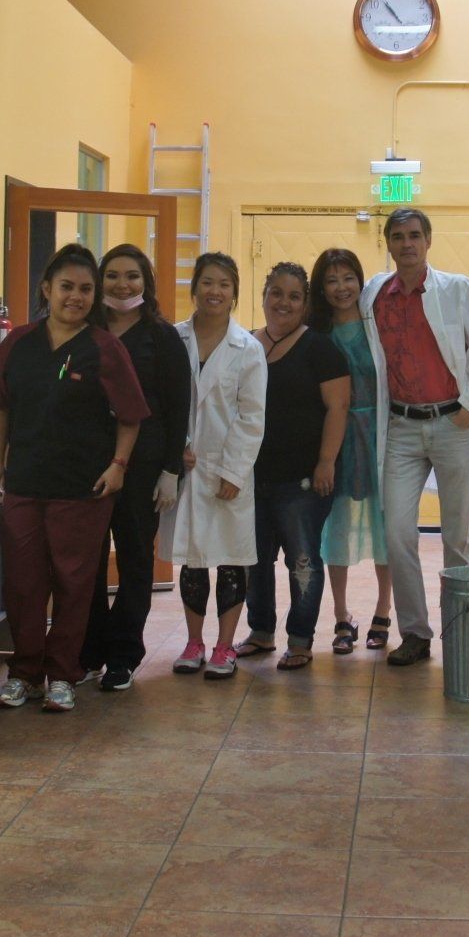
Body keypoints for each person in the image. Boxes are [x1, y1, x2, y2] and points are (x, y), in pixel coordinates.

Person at [0, 244, 150, 712]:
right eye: (67, 287)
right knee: (23, 584)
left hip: (82, 489)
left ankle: (63, 675)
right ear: (46, 289)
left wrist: (118, 466)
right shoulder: (19, 343)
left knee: (75, 585)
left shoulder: (104, 348)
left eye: (86, 289)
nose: (76, 296)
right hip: (25, 485)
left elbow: (131, 416)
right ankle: (24, 673)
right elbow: (0, 406)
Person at [361, 208, 469, 666]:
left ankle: (462, 634)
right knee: (397, 532)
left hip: (451, 424)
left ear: (428, 240)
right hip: (401, 428)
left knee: (457, 538)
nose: (406, 244)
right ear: (388, 243)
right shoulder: (375, 295)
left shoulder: (457, 289)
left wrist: (468, 411)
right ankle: (415, 633)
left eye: (414, 235)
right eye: (398, 236)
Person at [77, 243, 190, 692]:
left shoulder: (161, 337)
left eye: (132, 276)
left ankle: (123, 655)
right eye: (113, 276)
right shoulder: (84, 332)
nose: (122, 285)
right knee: (85, 561)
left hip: (144, 466)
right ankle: (88, 652)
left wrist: (171, 470)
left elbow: (178, 407)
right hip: (87, 464)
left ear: (146, 282)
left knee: (136, 559)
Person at [236, 262, 350, 670]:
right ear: (264, 295)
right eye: (276, 293)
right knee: (254, 559)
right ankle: (260, 632)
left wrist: (326, 462)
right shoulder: (245, 344)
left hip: (303, 480)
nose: (283, 303)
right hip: (252, 477)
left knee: (302, 561)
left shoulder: (320, 348)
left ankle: (300, 640)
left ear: (305, 304)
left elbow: (338, 407)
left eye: (294, 296)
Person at [162, 253, 267, 679]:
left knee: (230, 558)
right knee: (192, 559)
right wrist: (177, 446)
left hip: (228, 470)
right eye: (207, 282)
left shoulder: (248, 349)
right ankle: (194, 642)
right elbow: (164, 402)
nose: (215, 291)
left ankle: (224, 647)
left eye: (224, 284)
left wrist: (233, 472)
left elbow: (252, 416)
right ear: (194, 288)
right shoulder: (174, 339)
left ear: (234, 293)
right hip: (186, 468)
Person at [309, 247, 392, 654]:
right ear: (320, 288)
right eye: (331, 280)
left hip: (380, 435)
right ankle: (341, 615)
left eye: (348, 278)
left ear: (360, 281)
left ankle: (383, 611)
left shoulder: (378, 325)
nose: (341, 287)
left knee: (387, 526)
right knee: (336, 527)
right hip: (336, 439)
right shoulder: (317, 334)